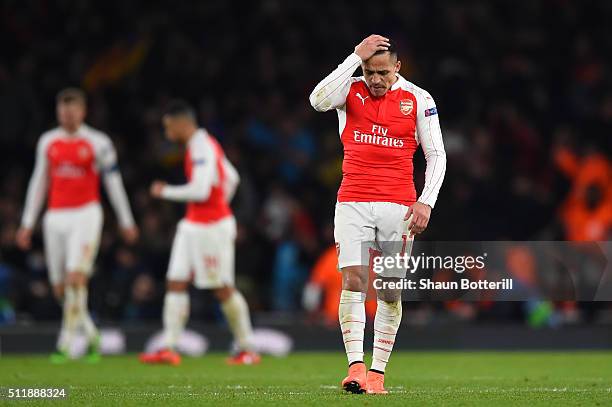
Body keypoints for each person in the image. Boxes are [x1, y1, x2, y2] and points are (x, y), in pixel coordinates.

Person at [309, 35, 446, 394]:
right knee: (353, 280)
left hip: (399, 207)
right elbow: (317, 100)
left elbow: (437, 155)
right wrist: (353, 58)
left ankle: (377, 373)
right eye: (369, 72)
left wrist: (426, 201)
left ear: (397, 68)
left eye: (383, 72)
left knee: (388, 291)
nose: (375, 80)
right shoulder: (349, 90)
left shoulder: (419, 99)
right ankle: (355, 367)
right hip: (352, 200)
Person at [16, 88, 139, 363]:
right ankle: (92, 335)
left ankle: (65, 343)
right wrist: (27, 223)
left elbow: (113, 182)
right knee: (60, 288)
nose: (66, 116)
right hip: (55, 217)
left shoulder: (98, 142)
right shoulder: (48, 141)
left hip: (86, 214)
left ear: (82, 112)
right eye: (62, 111)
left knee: (76, 278)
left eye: (71, 111)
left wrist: (126, 219)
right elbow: (39, 182)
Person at [139, 100, 259, 366]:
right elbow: (232, 177)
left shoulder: (201, 146)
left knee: (221, 288)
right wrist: (222, 202)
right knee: (176, 281)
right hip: (193, 223)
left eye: (169, 128)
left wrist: (164, 191)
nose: (167, 134)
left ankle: (247, 348)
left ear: (182, 124)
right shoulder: (204, 144)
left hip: (211, 227)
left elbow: (201, 191)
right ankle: (169, 347)